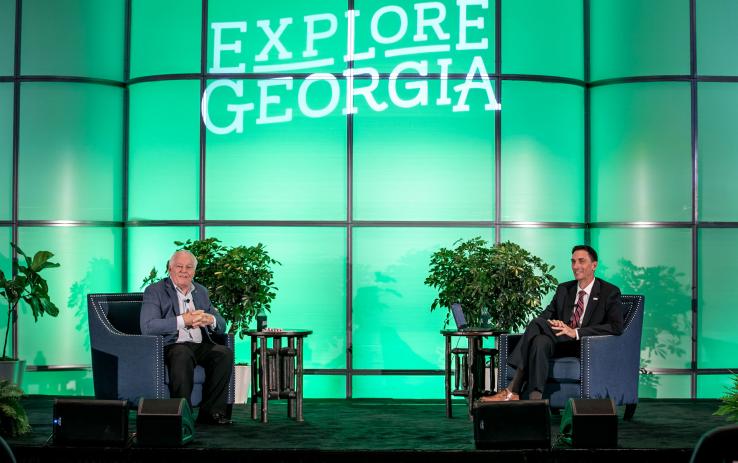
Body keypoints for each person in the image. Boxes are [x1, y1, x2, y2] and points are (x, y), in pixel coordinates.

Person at [484, 245, 624, 402]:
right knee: (539, 340)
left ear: (594, 265)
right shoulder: (564, 289)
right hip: (559, 342)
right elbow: (545, 317)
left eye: (581, 261)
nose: (575, 266)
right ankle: (535, 400)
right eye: (573, 262)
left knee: (537, 325)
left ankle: (513, 389)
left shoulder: (609, 292)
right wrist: (555, 323)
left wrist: (575, 332)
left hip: (585, 346)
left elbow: (616, 327)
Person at [140, 249, 234, 425]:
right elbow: (148, 327)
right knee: (182, 353)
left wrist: (210, 319)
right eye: (179, 266)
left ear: (194, 271)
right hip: (171, 344)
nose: (184, 271)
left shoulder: (200, 291)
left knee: (224, 354)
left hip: (198, 344)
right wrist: (183, 320)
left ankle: (211, 414)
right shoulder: (155, 291)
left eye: (189, 267)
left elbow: (222, 325)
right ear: (170, 268)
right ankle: (183, 415)